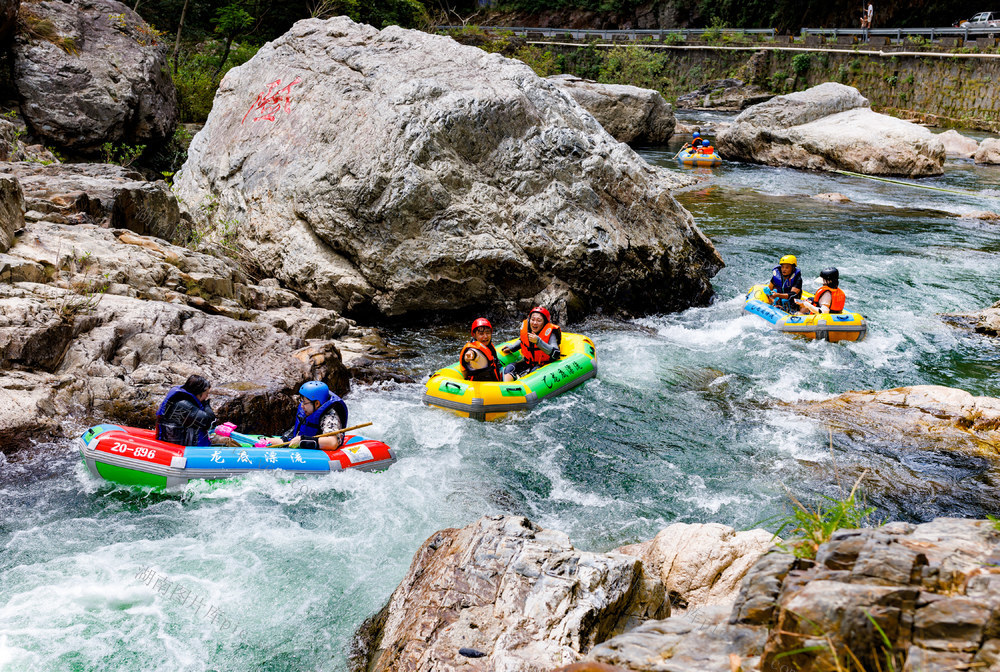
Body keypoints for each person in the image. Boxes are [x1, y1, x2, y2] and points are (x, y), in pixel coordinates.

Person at [268, 381, 348, 451]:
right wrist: (274, 442)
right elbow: (293, 438)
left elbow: (332, 443)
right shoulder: (308, 412)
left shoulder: (330, 417)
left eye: (305, 403)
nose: (302, 406)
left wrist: (302, 441)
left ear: (317, 403)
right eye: (301, 402)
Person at [156, 374, 217, 446]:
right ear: (199, 392)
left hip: (174, 440)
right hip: (176, 447)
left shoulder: (181, 400)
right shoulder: (182, 405)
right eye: (206, 393)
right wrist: (206, 405)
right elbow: (210, 423)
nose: (207, 396)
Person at [503, 306, 561, 376]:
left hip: (543, 364)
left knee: (532, 374)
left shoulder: (551, 333)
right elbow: (523, 341)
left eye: (539, 320)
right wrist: (512, 348)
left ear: (544, 322)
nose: (534, 323)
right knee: (509, 368)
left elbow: (556, 353)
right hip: (528, 362)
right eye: (532, 319)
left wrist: (538, 341)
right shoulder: (528, 329)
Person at [460, 318, 515, 382]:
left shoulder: (488, 346)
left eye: (488, 333)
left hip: (494, 379)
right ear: (474, 335)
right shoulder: (473, 350)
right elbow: (473, 354)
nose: (485, 336)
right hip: (484, 386)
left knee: (511, 367)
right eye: (481, 334)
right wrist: (469, 356)